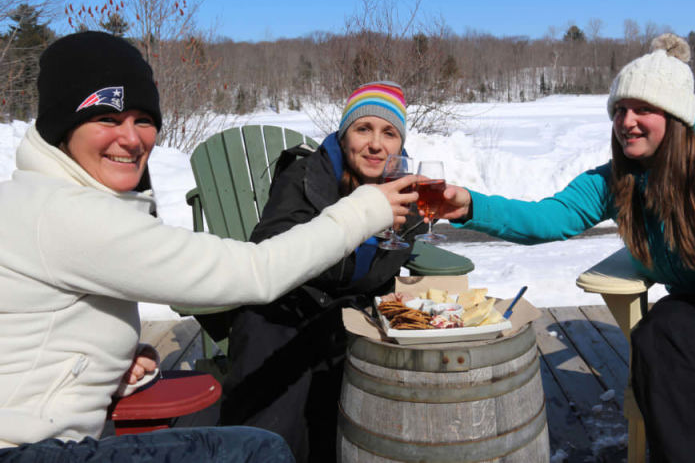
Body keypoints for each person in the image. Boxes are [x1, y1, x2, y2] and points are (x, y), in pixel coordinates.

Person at [0, 33, 418, 462]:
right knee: (259, 451)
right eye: (107, 118)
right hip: (26, 451)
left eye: (143, 119)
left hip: (52, 438)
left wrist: (101, 362)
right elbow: (257, 269)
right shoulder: (67, 215)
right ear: (62, 126)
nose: (130, 138)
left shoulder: (38, 202)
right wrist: (365, 210)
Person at [436, 34, 695, 462]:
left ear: (676, 115)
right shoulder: (619, 178)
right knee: (659, 333)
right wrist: (469, 205)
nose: (627, 121)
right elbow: (552, 217)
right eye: (620, 110)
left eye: (644, 109)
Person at [220, 81, 426, 462]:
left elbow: (393, 256)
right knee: (272, 400)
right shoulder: (303, 176)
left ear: (400, 144)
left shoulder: (406, 190)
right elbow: (272, 246)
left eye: (389, 133)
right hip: (287, 306)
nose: (376, 144)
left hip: (352, 313)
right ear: (344, 135)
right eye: (363, 129)